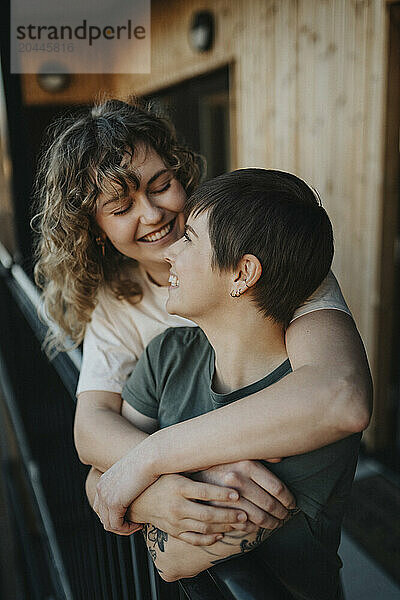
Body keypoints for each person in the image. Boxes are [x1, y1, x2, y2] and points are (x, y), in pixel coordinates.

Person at [33, 99, 371, 545]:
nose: (152, 214)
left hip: (289, 527)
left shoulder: (262, 253)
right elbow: (91, 429)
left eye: (161, 185)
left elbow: (341, 396)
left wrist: (156, 459)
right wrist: (179, 487)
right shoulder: (117, 300)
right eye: (120, 208)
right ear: (94, 230)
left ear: (181, 174)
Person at [95, 169, 361, 598]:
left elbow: (170, 559)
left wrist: (137, 483)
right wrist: (161, 488)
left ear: (243, 274)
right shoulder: (168, 354)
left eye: (191, 239)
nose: (169, 254)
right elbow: (99, 475)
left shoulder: (302, 418)